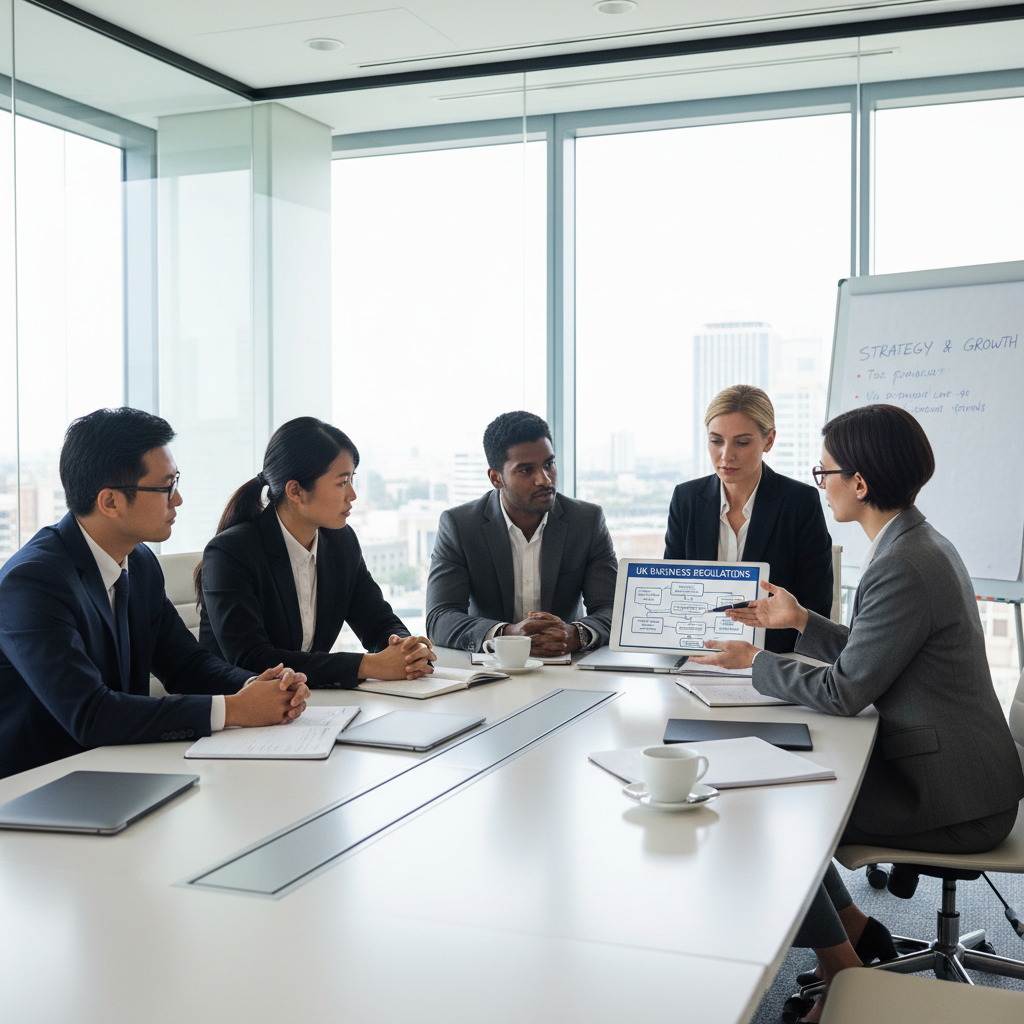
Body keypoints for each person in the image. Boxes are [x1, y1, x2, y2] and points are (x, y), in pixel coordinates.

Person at [689, 404, 1024, 1023]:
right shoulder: (914, 543)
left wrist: (752, 663)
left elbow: (847, 691)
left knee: (774, 813)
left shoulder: (903, 563)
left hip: (955, 799)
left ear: (859, 483)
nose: (823, 484)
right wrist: (799, 622)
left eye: (826, 473)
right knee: (782, 796)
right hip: (959, 771)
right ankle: (852, 934)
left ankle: (844, 962)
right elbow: (877, 655)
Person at [0, 408, 310, 780]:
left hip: (117, 770)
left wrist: (255, 687)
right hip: (35, 787)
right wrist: (235, 710)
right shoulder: (32, 582)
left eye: (175, 481)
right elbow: (90, 715)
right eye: (165, 487)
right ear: (110, 502)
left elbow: (184, 664)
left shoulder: (141, 561)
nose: (177, 500)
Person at [198, 417, 435, 688]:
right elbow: (252, 659)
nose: (353, 495)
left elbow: (378, 622)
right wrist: (368, 665)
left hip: (306, 706)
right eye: (342, 482)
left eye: (352, 480)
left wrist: (405, 649)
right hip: (236, 713)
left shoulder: (340, 542)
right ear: (296, 491)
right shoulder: (230, 553)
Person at [426, 411, 617, 656]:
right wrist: (507, 635)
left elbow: (612, 609)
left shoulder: (586, 521)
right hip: (491, 670)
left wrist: (576, 634)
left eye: (549, 464)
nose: (544, 479)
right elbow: (440, 618)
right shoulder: (460, 526)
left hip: (566, 666)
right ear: (496, 478)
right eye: (526, 471)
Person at [664, 384, 833, 653]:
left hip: (771, 660)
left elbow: (815, 609)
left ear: (769, 440)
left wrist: (759, 658)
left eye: (742, 442)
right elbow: (672, 590)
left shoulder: (799, 502)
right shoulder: (686, 499)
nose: (726, 455)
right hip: (696, 653)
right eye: (716, 440)